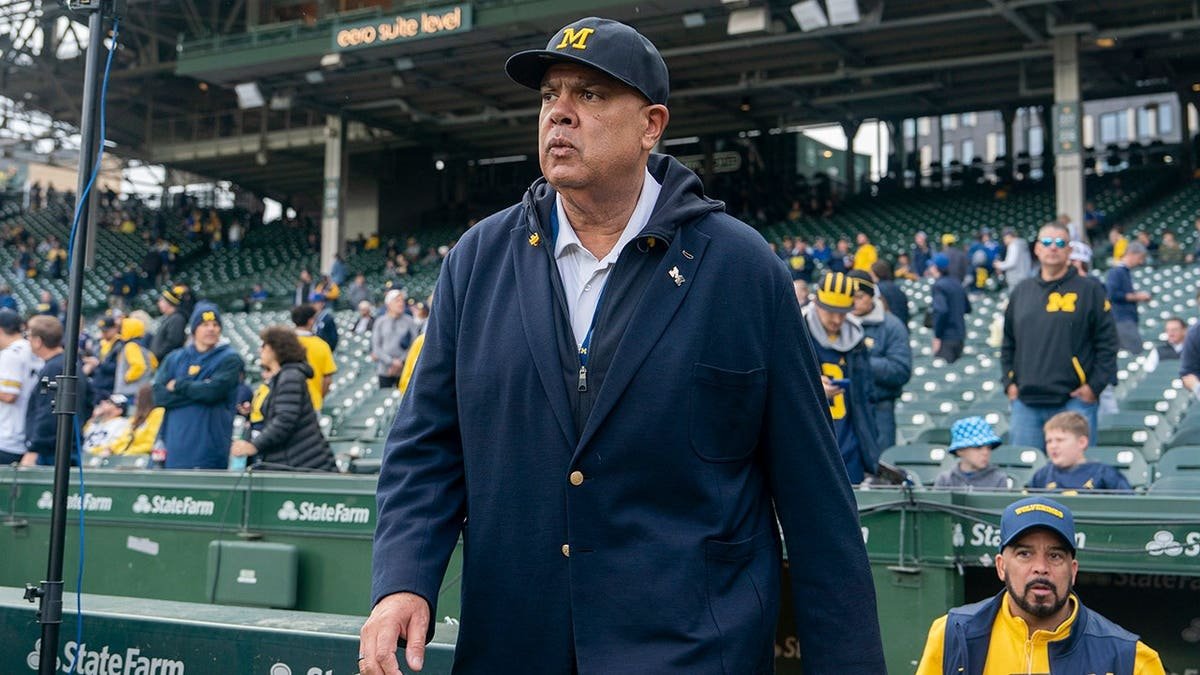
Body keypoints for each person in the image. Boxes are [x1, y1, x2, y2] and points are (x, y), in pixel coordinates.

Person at [359, 18, 883, 674]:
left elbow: (816, 505)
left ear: (651, 125)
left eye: (592, 95)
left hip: (689, 650)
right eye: (550, 94)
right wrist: (403, 579)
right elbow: (426, 449)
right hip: (515, 645)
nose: (561, 114)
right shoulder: (478, 259)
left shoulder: (742, 269)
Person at [916, 496, 1165, 675]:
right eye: (1025, 554)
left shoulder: (1130, 659)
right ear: (1001, 566)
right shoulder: (952, 635)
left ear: (1073, 570)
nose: (1041, 567)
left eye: (1055, 555)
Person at [1002, 222, 1117, 449]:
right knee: (1026, 477)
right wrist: (1008, 382)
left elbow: (1108, 343)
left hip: (1074, 402)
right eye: (1046, 242)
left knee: (1077, 478)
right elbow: (1008, 343)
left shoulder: (1089, 290)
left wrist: (1094, 387)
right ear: (1037, 249)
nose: (1052, 248)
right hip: (1026, 402)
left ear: (1069, 250)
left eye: (1060, 243)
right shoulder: (1022, 291)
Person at [803, 271, 880, 483]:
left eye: (843, 312)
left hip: (848, 442)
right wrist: (811, 388)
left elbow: (867, 395)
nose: (837, 319)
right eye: (831, 312)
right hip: (808, 442)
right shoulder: (796, 332)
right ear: (817, 304)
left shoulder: (856, 339)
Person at [152, 303, 244, 469]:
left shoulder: (229, 359)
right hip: (175, 443)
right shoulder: (174, 358)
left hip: (209, 444)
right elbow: (159, 396)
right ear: (194, 329)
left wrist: (179, 385)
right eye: (205, 324)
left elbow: (212, 392)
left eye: (215, 325)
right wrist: (199, 389)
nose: (211, 329)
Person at [230, 327, 335, 471]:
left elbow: (284, 420)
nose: (260, 351)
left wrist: (254, 446)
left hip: (303, 464)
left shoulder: (290, 376)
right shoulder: (281, 377)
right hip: (291, 461)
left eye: (264, 346)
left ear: (275, 349)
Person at [849, 270, 910, 449]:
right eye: (850, 296)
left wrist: (860, 362)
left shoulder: (891, 325)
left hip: (879, 407)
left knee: (880, 467)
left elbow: (901, 370)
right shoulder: (839, 323)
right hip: (845, 409)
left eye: (859, 296)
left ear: (872, 296)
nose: (854, 301)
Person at [23, 315, 92, 466]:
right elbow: (89, 403)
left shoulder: (53, 368)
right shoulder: (69, 363)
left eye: (28, 335)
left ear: (38, 341)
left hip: (52, 451)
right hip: (65, 445)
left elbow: (47, 410)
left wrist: (34, 448)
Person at [1027, 412, 1133, 491]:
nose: (1053, 446)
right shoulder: (1042, 475)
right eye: (1049, 441)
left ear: (1082, 442)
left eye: (1060, 440)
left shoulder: (1104, 474)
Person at [0, 310, 40, 465]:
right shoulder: (31, 348)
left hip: (9, 434)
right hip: (25, 432)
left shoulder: (11, 354)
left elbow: (9, 395)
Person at [933, 416, 1011, 489]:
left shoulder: (998, 479)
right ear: (960, 450)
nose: (985, 452)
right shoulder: (945, 479)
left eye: (988, 447)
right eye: (978, 447)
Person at [91, 383, 162, 457]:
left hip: (142, 457)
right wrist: (110, 449)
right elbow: (124, 439)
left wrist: (128, 452)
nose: (135, 402)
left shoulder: (157, 413)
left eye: (138, 398)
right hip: (126, 455)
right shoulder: (134, 418)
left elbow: (151, 442)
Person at [289, 304, 338, 411]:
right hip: (312, 401)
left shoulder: (284, 343)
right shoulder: (322, 345)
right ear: (311, 320)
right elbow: (327, 380)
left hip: (285, 401)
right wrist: (320, 397)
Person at [1106, 241, 1150, 353]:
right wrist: (1137, 297)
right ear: (1132, 254)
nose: (1140, 262)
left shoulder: (1125, 272)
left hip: (1125, 319)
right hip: (1121, 319)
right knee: (1137, 352)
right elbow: (1112, 294)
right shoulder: (1116, 271)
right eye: (1140, 258)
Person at [370, 289, 419, 389]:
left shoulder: (409, 321)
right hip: (385, 370)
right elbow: (376, 347)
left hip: (404, 369)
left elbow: (414, 345)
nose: (401, 304)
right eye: (397, 301)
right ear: (388, 304)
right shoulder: (380, 321)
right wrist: (391, 362)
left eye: (402, 301)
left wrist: (400, 362)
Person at [931, 253, 970, 363]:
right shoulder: (957, 282)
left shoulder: (939, 286)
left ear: (936, 268)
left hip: (947, 337)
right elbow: (968, 308)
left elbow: (941, 310)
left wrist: (937, 336)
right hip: (960, 336)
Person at [114, 316, 157, 401]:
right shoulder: (143, 345)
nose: (121, 331)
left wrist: (127, 378)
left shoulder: (131, 346)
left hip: (130, 391)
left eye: (123, 328)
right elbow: (154, 364)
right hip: (141, 391)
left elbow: (139, 366)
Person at [151, 285, 188, 361]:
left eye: (161, 301)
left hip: (167, 362)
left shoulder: (177, 319)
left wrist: (159, 355)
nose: (159, 304)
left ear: (168, 303)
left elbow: (173, 342)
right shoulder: (169, 318)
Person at [870, 259, 909, 327]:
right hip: (902, 325)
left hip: (889, 326)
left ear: (875, 273)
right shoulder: (896, 286)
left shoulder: (877, 288)